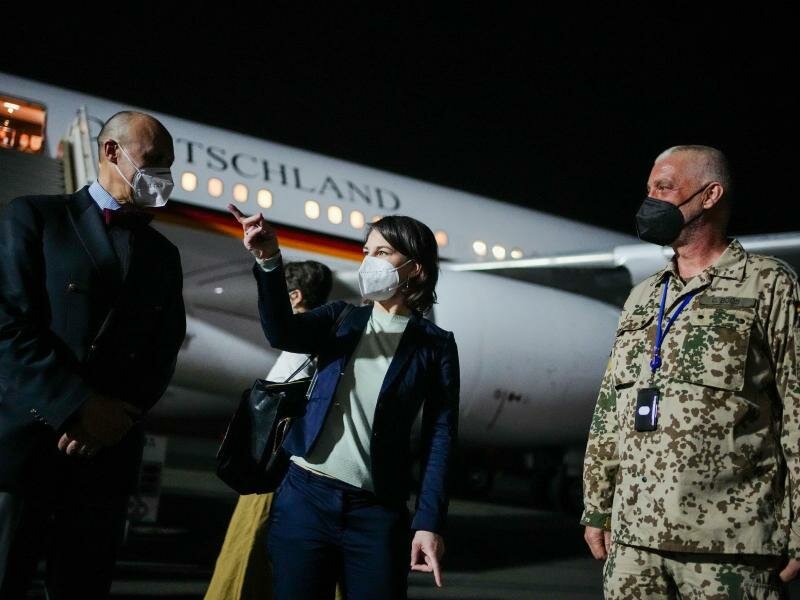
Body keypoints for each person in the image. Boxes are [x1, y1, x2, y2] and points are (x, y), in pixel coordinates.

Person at [581, 144, 800, 598]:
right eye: (649, 189)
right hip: (633, 543)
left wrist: (798, 528)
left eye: (664, 187)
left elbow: (797, 410)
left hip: (729, 544)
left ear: (710, 194)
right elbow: (610, 409)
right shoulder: (643, 297)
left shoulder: (768, 284)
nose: (651, 200)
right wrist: (597, 507)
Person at [228, 204, 460, 600]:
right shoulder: (341, 318)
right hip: (304, 498)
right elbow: (280, 331)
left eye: (383, 253)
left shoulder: (435, 345)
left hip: (376, 514)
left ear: (416, 269)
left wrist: (428, 522)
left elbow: (440, 437)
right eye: (367, 252)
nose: (369, 261)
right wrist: (268, 261)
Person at [0, 111, 186, 599]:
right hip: (28, 447)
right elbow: (9, 327)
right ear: (111, 152)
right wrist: (78, 407)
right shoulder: (35, 216)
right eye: (154, 161)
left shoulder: (164, 255)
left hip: (104, 458)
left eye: (168, 165)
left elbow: (162, 352)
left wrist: (114, 420)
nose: (163, 176)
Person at [205, 260, 336, 600]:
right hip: (311, 474)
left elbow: (272, 410)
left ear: (294, 297)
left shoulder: (300, 343)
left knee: (246, 550)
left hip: (272, 469)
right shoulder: (333, 337)